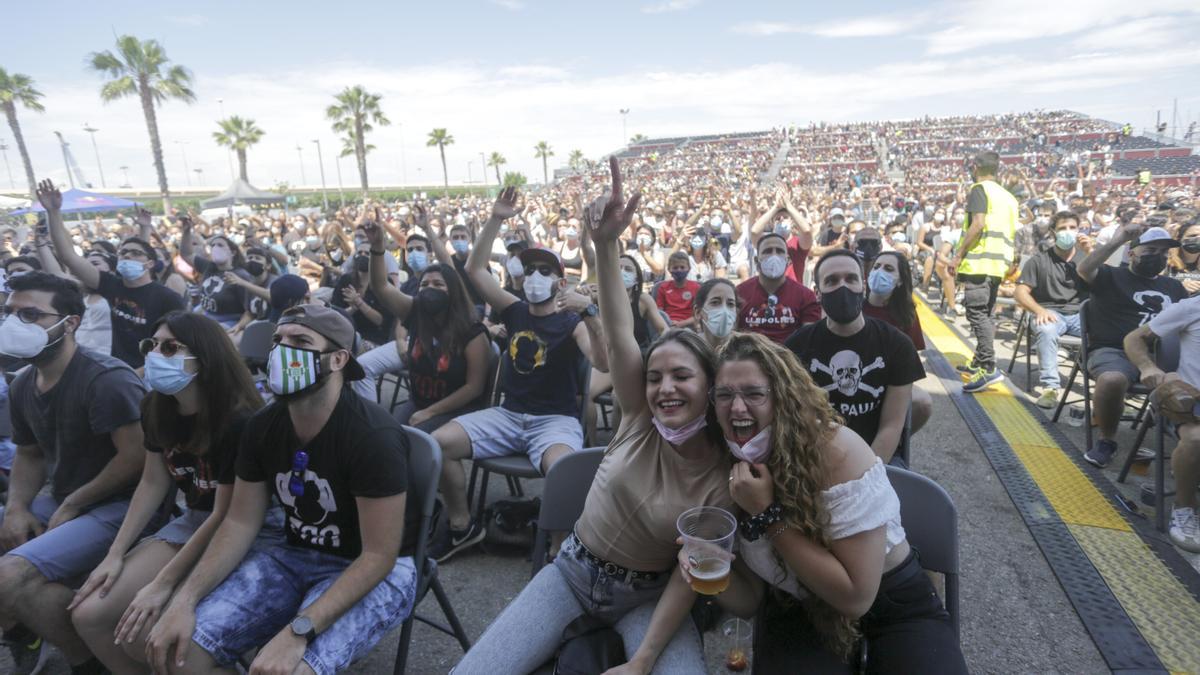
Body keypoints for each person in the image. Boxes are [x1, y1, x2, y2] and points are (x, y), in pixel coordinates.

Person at [455, 157, 727, 675]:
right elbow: (621, 335)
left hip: (648, 597)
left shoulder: (723, 467)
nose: (665, 388)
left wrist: (643, 661)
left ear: (710, 385)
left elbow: (689, 575)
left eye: (683, 377)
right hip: (571, 574)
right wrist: (605, 246)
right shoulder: (637, 417)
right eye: (655, 377)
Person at [144, 304, 420, 675]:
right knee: (179, 653)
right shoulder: (262, 427)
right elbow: (239, 523)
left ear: (338, 359)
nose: (281, 350)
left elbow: (378, 556)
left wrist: (299, 630)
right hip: (292, 553)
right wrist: (184, 599)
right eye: (278, 340)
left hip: (373, 566)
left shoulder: (373, 437)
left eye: (300, 340)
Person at [679, 331, 967, 672]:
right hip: (799, 607)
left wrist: (769, 515)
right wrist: (705, 570)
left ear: (783, 397)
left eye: (754, 393)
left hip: (889, 603)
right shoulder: (724, 463)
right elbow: (750, 601)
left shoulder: (833, 450)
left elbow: (856, 597)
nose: (737, 407)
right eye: (724, 395)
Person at [68, 312, 274, 673]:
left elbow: (226, 517)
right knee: (89, 615)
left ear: (205, 357)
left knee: (149, 637)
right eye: (152, 345)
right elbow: (152, 481)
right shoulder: (156, 406)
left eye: (170, 347)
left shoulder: (239, 421)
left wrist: (163, 584)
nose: (155, 355)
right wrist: (115, 554)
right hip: (194, 523)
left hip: (242, 530)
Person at [431, 187, 608, 562]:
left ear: (561, 283)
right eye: (530, 270)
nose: (535, 276)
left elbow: (604, 363)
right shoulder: (514, 310)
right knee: (439, 442)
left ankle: (560, 547)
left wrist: (590, 313)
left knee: (563, 471)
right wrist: (496, 219)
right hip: (508, 415)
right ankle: (463, 525)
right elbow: (474, 270)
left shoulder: (571, 322)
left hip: (554, 421)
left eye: (545, 271)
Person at [0, 271, 148, 675]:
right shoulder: (23, 383)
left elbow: (136, 459)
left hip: (122, 507)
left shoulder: (105, 380)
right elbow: (28, 454)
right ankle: (26, 629)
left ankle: (88, 663)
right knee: (16, 573)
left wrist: (73, 502)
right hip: (64, 500)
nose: (15, 323)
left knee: (9, 576)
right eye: (10, 313)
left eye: (31, 314)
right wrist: (16, 506)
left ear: (71, 323)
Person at [785, 250, 926, 464]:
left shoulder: (897, 345)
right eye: (831, 280)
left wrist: (865, 478)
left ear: (863, 285)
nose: (843, 287)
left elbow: (891, 425)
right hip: (816, 460)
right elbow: (795, 423)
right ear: (818, 293)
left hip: (876, 459)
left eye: (851, 278)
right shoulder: (797, 346)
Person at [358, 212, 491, 431]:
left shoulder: (473, 332)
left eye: (438, 285)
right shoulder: (416, 311)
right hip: (418, 403)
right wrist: (378, 246)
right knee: (387, 438)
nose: (430, 288)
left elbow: (474, 388)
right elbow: (381, 286)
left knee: (414, 443)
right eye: (425, 285)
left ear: (453, 291)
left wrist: (431, 412)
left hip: (457, 410)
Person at [38, 180, 186, 369]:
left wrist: (143, 371)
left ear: (150, 263)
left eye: (135, 254)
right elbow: (68, 256)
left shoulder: (167, 298)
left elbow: (181, 343)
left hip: (153, 370)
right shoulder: (111, 285)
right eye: (123, 253)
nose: (128, 256)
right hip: (117, 367)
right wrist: (53, 212)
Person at [1075, 225, 1187, 467]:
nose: (1157, 256)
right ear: (1132, 253)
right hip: (1113, 351)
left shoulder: (1175, 288)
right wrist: (1119, 239)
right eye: (1150, 250)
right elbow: (1084, 269)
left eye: (1163, 253)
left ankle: (1188, 450)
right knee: (1112, 380)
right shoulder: (1110, 275)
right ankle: (1107, 441)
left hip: (1163, 355)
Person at [1124, 293, 1200, 552]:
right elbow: (1134, 338)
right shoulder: (1191, 307)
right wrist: (1148, 367)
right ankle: (1184, 506)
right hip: (1190, 405)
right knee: (1195, 440)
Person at [952, 151, 1019, 393]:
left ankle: (989, 368)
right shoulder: (1008, 197)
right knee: (987, 314)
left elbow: (978, 224)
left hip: (979, 263)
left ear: (977, 166)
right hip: (998, 265)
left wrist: (958, 254)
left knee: (977, 314)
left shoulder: (980, 190)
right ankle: (979, 362)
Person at [1014, 211, 1088, 408]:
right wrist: (1038, 310)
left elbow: (1108, 282)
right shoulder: (1039, 261)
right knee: (1046, 330)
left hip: (1080, 315)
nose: (1068, 232)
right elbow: (1020, 292)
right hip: (1050, 313)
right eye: (1063, 228)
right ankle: (1050, 388)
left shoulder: (1086, 259)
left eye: (1072, 228)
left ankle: (1106, 386)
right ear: (1054, 232)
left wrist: (1092, 253)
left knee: (1107, 331)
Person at [863, 250, 932, 433]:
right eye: (876, 267)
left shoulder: (906, 315)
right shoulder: (854, 306)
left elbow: (910, 363)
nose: (880, 272)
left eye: (888, 269)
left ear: (900, 280)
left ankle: (895, 440)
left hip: (892, 382)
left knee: (923, 402)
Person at [736, 233, 821, 343]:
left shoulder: (806, 296)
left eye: (779, 251)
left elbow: (810, 339)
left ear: (788, 260)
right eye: (767, 251)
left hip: (790, 357)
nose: (774, 256)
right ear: (757, 261)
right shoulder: (740, 293)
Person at [179, 218, 255, 329]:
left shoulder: (241, 275)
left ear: (232, 252)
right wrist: (186, 231)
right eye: (213, 245)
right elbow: (186, 254)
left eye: (220, 245)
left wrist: (238, 327)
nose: (215, 248)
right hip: (206, 317)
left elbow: (249, 310)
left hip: (229, 322)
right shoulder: (209, 267)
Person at [331, 241, 395, 349]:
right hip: (348, 334)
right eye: (359, 252)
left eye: (367, 253)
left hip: (374, 338)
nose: (363, 256)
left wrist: (359, 302)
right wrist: (353, 308)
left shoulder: (385, 283)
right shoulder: (346, 280)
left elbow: (381, 321)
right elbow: (335, 317)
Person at [655, 251, 700, 328]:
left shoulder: (696, 287)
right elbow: (659, 312)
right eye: (675, 268)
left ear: (689, 268)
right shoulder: (663, 287)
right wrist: (669, 323)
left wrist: (682, 323)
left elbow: (699, 314)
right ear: (669, 269)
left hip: (689, 326)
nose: (679, 270)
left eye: (682, 267)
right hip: (668, 325)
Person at [692, 278, 738, 351]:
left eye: (730, 304)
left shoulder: (744, 349)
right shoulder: (689, 349)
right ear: (698, 312)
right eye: (715, 302)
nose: (724, 310)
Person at [1168, 220, 1200, 296]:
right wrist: (1180, 287)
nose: (1198, 239)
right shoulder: (1165, 262)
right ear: (1179, 238)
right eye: (1192, 236)